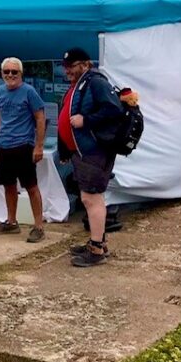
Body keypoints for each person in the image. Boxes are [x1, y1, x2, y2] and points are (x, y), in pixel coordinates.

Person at [57, 47, 124, 267]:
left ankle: (96, 249)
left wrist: (87, 120)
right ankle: (99, 241)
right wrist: (66, 149)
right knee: (91, 198)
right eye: (65, 67)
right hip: (82, 151)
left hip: (94, 151)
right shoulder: (79, 85)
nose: (67, 70)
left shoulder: (95, 82)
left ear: (85, 65)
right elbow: (66, 117)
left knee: (91, 198)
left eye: (72, 66)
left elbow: (113, 109)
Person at [0, 57, 48, 242]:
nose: (10, 75)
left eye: (14, 72)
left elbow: (40, 118)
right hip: (3, 146)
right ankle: (11, 222)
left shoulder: (29, 92)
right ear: (2, 73)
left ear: (21, 73)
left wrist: (39, 146)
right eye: (7, 72)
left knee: (31, 186)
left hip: (23, 146)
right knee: (9, 185)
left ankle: (38, 226)